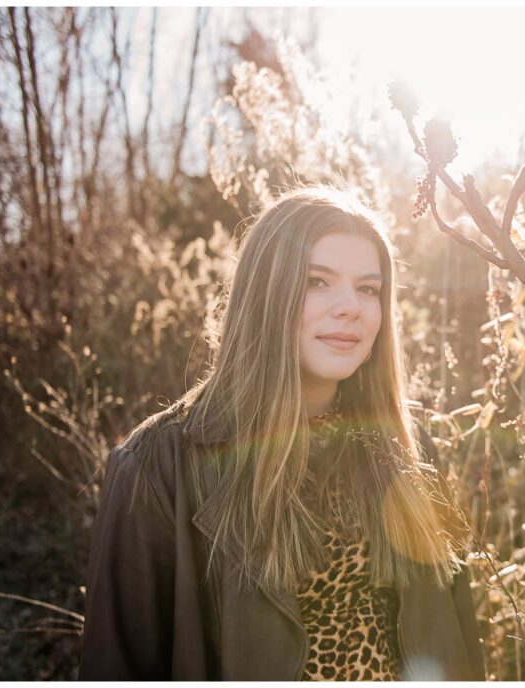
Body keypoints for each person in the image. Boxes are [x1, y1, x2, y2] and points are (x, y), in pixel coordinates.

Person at [78, 186, 485, 680]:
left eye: (368, 288)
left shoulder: (410, 445)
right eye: (317, 281)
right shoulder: (158, 466)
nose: (349, 307)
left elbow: (457, 635)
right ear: (266, 294)